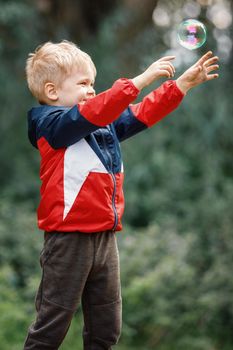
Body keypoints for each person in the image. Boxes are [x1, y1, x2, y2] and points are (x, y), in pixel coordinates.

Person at [23, 40, 219, 350]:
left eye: (93, 83)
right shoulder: (51, 125)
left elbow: (141, 114)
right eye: (83, 83)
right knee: (51, 326)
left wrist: (180, 86)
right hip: (67, 240)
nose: (91, 89)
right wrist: (140, 79)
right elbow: (94, 112)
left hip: (105, 238)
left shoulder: (102, 125)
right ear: (52, 93)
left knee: (107, 327)